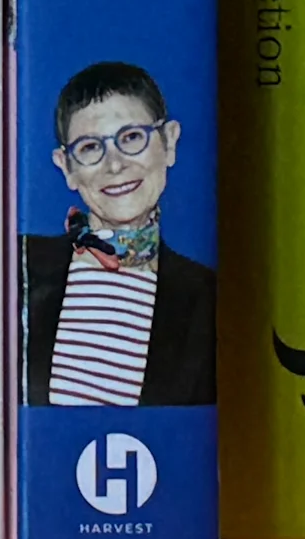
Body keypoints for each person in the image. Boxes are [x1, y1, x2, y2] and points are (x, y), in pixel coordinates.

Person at [20, 59, 214, 407]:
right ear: (67, 167)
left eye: (132, 138)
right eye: (91, 147)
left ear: (169, 143)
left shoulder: (210, 300)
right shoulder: (18, 267)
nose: (115, 164)